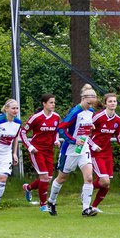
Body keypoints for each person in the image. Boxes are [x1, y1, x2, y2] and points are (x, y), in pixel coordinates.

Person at [48, 85, 98, 217]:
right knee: (62, 178)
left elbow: (84, 127)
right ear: (82, 99)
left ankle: (86, 209)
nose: (89, 106)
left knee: (89, 177)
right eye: (88, 103)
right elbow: (61, 129)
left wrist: (90, 127)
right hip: (70, 150)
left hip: (83, 148)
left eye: (92, 104)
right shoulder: (75, 112)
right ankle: (51, 202)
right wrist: (73, 140)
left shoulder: (90, 111)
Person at [20, 94, 60, 211]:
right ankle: (43, 205)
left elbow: (56, 131)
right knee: (43, 176)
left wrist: (56, 140)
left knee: (48, 178)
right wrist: (30, 146)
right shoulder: (36, 117)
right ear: (44, 103)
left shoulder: (56, 117)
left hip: (49, 150)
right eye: (51, 102)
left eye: (54, 102)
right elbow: (23, 132)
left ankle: (28, 187)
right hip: (37, 151)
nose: (53, 105)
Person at [88, 93, 120, 213]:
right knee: (104, 181)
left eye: (114, 101)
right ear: (105, 104)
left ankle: (94, 206)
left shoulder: (118, 120)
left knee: (106, 184)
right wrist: (93, 146)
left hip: (107, 153)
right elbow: (84, 134)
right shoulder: (97, 117)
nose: (113, 103)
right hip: (96, 152)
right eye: (110, 101)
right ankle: (86, 189)